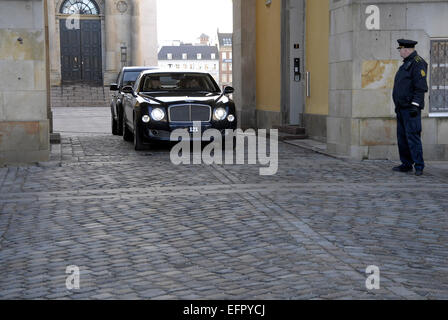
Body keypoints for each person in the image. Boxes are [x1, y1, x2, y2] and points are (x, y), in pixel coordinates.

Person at [392, 39, 428, 176]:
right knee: (402, 138)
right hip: (401, 108)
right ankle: (406, 164)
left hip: (410, 109)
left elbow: (421, 87)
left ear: (406, 50)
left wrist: (415, 105)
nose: (400, 51)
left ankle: (419, 166)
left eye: (400, 49)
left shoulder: (418, 63)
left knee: (413, 137)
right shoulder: (407, 63)